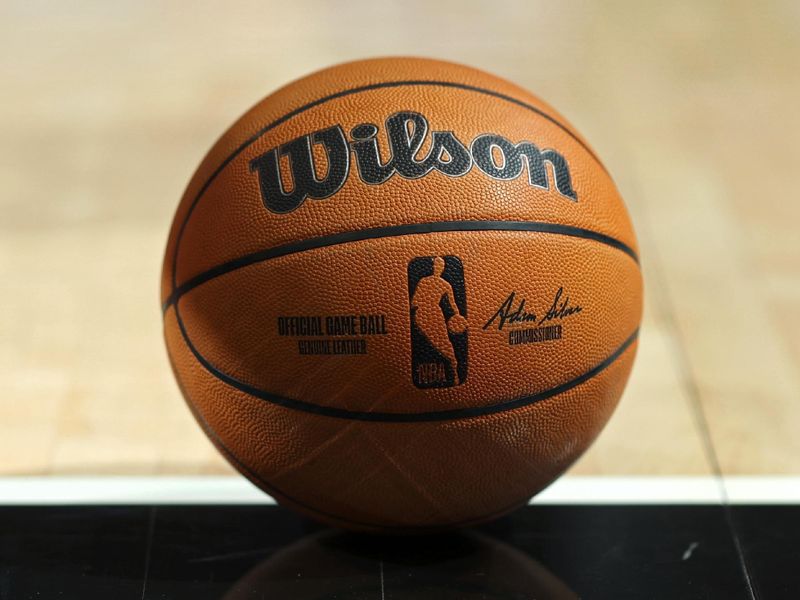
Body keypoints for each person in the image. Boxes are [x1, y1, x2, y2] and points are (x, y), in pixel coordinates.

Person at [410, 257, 465, 384]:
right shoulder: (428, 282)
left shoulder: (444, 284)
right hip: (427, 313)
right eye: (436, 265)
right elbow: (414, 303)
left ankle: (453, 369)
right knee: (442, 343)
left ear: (442, 268)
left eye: (440, 265)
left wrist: (457, 316)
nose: (438, 267)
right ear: (434, 266)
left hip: (431, 312)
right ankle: (453, 367)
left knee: (443, 343)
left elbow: (453, 305)